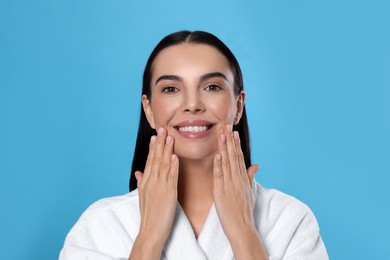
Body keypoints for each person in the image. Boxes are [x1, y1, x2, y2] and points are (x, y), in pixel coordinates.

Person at [59, 30, 329, 260]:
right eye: (170, 89)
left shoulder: (290, 220)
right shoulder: (101, 225)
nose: (192, 104)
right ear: (149, 110)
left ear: (238, 106)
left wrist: (243, 232)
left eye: (212, 87)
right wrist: (149, 237)